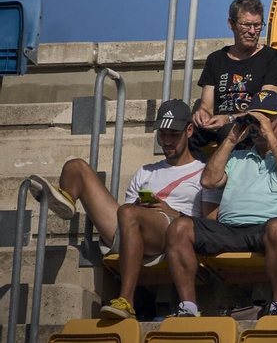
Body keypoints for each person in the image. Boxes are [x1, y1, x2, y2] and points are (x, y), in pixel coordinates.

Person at [32, 101, 218, 320]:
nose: (167, 141)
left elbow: (211, 225)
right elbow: (127, 212)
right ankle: (66, 202)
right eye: (163, 134)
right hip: (132, 228)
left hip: (173, 231)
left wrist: (172, 212)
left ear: (189, 130)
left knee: (129, 213)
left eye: (174, 134)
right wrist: (140, 209)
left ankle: (126, 301)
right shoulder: (146, 171)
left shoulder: (203, 172)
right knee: (76, 166)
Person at [165, 92, 277, 319]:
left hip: (268, 231)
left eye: (265, 119)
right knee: (179, 227)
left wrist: (269, 135)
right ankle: (188, 307)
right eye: (253, 120)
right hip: (229, 229)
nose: (257, 127)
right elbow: (208, 180)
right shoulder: (237, 157)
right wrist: (232, 138)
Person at [191, 0, 277, 149]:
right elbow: (207, 104)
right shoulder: (215, 59)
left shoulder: (272, 58)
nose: (253, 31)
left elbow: (265, 107)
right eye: (246, 25)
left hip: (249, 123)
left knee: (230, 132)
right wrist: (202, 113)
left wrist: (227, 119)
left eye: (258, 25)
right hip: (217, 121)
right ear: (231, 24)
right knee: (185, 131)